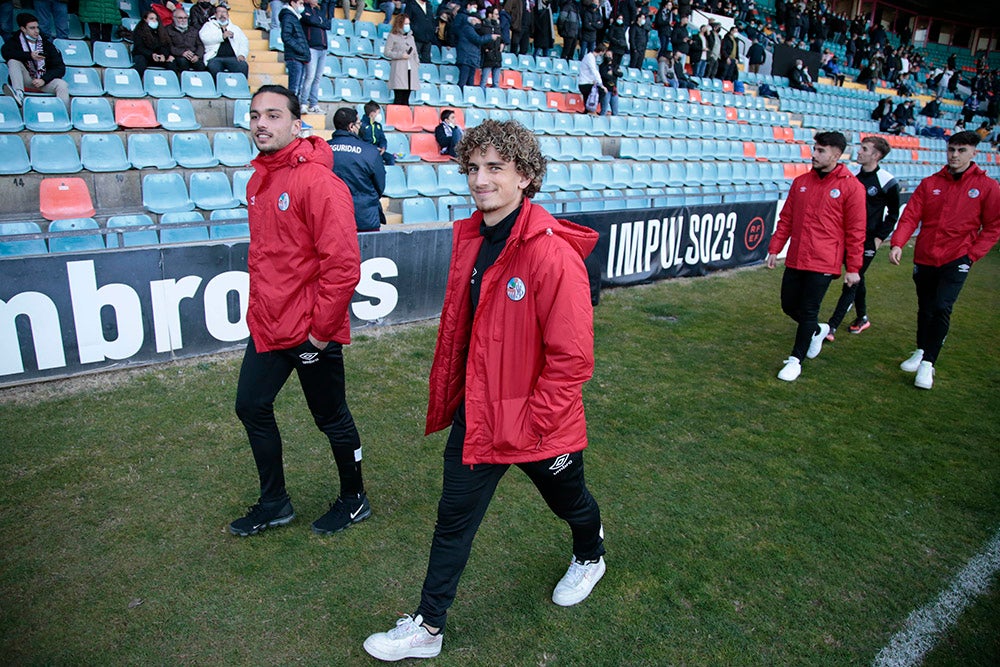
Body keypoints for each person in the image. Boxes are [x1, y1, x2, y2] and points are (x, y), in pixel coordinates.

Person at [363, 119, 606, 662]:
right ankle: (428, 626)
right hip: (480, 417)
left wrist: (530, 423)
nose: (480, 179)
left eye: (495, 168)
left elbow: (572, 360)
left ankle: (590, 554)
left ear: (525, 176)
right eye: (473, 168)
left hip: (540, 423)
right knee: (453, 522)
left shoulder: (550, 254)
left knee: (571, 505)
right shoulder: (473, 237)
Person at [231, 85, 370, 538]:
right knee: (251, 405)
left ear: (296, 124)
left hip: (310, 330)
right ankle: (275, 503)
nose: (261, 124)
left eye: (273, 115)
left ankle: (355, 500)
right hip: (269, 325)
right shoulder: (258, 180)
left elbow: (343, 265)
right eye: (255, 115)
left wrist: (320, 333)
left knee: (331, 418)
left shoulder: (318, 182)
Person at [888, 131, 1000, 390]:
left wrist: (972, 255)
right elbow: (910, 216)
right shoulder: (929, 183)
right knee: (925, 307)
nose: (955, 155)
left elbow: (993, 226)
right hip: (926, 255)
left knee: (941, 307)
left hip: (957, 257)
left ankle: (928, 363)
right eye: (951, 149)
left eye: (961, 150)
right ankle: (921, 350)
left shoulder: (988, 187)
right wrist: (897, 243)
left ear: (974, 153)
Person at [765, 131, 865, 382]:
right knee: (788, 305)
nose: (814, 154)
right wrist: (775, 248)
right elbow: (786, 218)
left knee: (809, 310)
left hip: (824, 260)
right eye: (815, 149)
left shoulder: (851, 186)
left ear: (836, 154)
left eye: (821, 150)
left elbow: (856, 231)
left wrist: (853, 268)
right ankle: (818, 329)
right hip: (797, 256)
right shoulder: (801, 182)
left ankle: (795, 360)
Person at [824, 136, 899, 341]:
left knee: (851, 281)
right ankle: (862, 317)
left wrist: (879, 239)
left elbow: (893, 214)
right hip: (849, 237)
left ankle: (831, 327)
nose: (859, 152)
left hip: (868, 240)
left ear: (876, 155)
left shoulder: (887, 181)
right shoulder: (853, 177)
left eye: (864, 149)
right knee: (858, 277)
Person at [328, 106, 386, 232]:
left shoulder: (323, 149)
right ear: (351, 126)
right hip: (364, 218)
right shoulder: (370, 151)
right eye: (358, 123)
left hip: (331, 218)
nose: (360, 126)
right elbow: (380, 186)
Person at [1, 13, 69, 110]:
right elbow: (6, 53)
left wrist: (44, 80)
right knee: (13, 61)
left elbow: (60, 68)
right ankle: (19, 94)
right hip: (26, 79)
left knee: (62, 85)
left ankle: (62, 114)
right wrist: (29, 56)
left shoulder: (47, 44)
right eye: (32, 28)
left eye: (37, 27)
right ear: (23, 29)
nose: (36, 31)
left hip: (43, 81)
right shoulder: (14, 41)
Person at [453, 0, 496, 89]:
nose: (479, 22)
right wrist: (490, 37)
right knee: (463, 82)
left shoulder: (473, 29)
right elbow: (477, 39)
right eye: (477, 20)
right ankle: (461, 99)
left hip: (471, 59)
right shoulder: (467, 28)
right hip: (466, 58)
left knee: (470, 83)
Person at [201, 4, 250, 78]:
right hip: (215, 57)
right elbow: (204, 38)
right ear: (215, 14)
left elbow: (244, 42)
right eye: (219, 12)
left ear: (228, 15)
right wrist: (222, 36)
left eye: (224, 12)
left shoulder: (235, 28)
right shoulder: (209, 25)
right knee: (213, 67)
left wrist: (242, 54)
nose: (222, 14)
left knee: (243, 66)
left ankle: (239, 88)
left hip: (233, 58)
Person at [297, 0, 328, 114]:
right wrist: (320, 21)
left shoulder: (319, 10)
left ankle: (314, 104)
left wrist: (318, 21)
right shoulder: (304, 8)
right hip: (311, 47)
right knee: (309, 76)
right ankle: (303, 103)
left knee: (317, 78)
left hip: (323, 48)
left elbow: (328, 24)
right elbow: (308, 20)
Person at [385, 13, 420, 105]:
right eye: (405, 24)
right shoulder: (392, 36)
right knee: (399, 97)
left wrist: (416, 63)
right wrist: (400, 55)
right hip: (399, 69)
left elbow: (415, 52)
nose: (407, 26)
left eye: (408, 24)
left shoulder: (411, 37)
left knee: (406, 98)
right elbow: (387, 52)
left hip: (411, 69)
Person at [279, 0, 309, 97]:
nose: (302, 6)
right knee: (294, 89)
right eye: (300, 3)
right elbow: (286, 36)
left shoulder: (294, 17)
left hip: (299, 57)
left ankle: (295, 109)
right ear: (292, 3)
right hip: (294, 57)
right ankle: (292, 110)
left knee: (297, 88)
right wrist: (301, 50)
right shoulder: (288, 17)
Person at [131, 9, 174, 77]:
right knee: (140, 61)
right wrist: (152, 55)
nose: (154, 20)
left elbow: (166, 46)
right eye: (151, 18)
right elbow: (139, 48)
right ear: (145, 19)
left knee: (171, 63)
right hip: (145, 56)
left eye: (156, 19)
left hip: (159, 57)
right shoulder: (139, 31)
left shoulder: (161, 32)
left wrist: (164, 55)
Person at [165, 7, 207, 72]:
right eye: (180, 18)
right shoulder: (167, 30)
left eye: (185, 18)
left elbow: (200, 45)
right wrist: (182, 53)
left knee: (201, 66)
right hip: (178, 56)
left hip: (193, 55)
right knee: (183, 62)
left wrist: (197, 56)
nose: (183, 20)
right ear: (173, 18)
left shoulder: (193, 30)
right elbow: (168, 46)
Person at [360, 100, 395, 165]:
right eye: (378, 113)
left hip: (379, 151)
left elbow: (382, 139)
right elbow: (361, 142)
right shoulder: (362, 126)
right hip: (367, 152)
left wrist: (383, 147)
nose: (379, 115)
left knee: (391, 158)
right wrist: (374, 149)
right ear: (372, 114)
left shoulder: (378, 125)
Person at [578, 41, 606, 111]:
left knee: (587, 100)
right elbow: (594, 71)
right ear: (601, 51)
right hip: (585, 83)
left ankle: (587, 112)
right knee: (602, 91)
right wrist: (601, 84)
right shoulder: (590, 57)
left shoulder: (590, 57)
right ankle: (591, 109)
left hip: (586, 82)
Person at [479, 5, 503, 88]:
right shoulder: (483, 26)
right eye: (496, 14)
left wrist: (501, 46)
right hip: (487, 57)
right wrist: (486, 50)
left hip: (497, 57)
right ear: (490, 15)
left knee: (496, 82)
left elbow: (502, 39)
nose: (498, 16)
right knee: (484, 81)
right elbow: (481, 41)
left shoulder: (498, 26)